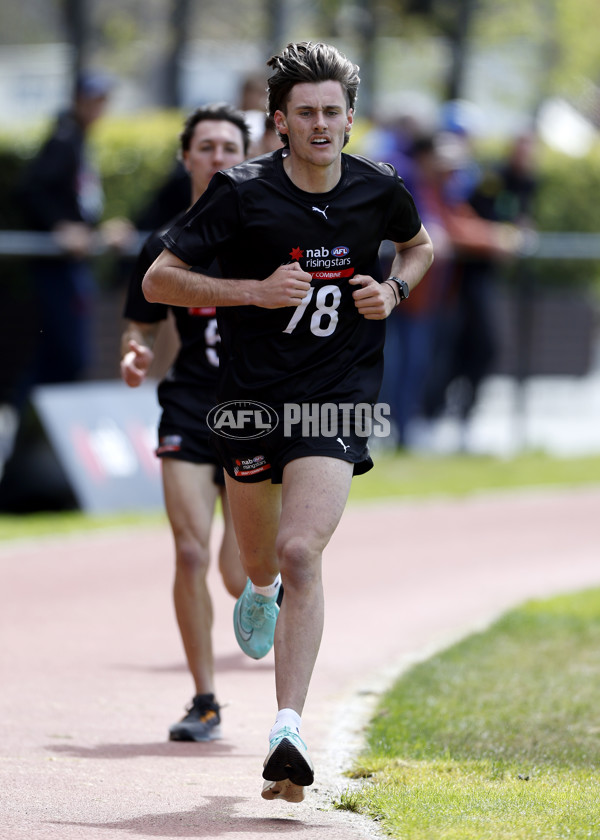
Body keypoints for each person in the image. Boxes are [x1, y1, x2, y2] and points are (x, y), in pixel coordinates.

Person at [143, 42, 433, 801]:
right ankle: (260, 592)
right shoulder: (240, 192)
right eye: (305, 112)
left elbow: (419, 246)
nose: (321, 124)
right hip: (245, 403)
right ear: (279, 121)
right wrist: (253, 292)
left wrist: (394, 292)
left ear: (349, 118)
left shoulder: (378, 187)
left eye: (333, 111)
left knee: (302, 550)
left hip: (335, 395)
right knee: (257, 564)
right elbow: (159, 276)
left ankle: (287, 728)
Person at [120, 104, 251, 741]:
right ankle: (204, 701)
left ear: (248, 156)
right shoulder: (163, 246)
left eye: (230, 146)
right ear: (186, 158)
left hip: (260, 414)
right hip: (190, 407)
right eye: (206, 146)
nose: (218, 156)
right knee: (191, 550)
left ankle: (270, 590)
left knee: (236, 575)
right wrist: (135, 349)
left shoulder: (271, 232)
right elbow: (140, 321)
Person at [18, 70, 133, 399]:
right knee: (71, 355)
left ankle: (25, 437)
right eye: (92, 100)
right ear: (77, 101)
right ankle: (23, 431)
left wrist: (95, 231)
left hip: (71, 262)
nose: (98, 107)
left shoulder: (77, 137)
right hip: (58, 264)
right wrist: (59, 227)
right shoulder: (64, 138)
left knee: (58, 355)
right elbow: (31, 190)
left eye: (102, 101)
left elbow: (74, 200)